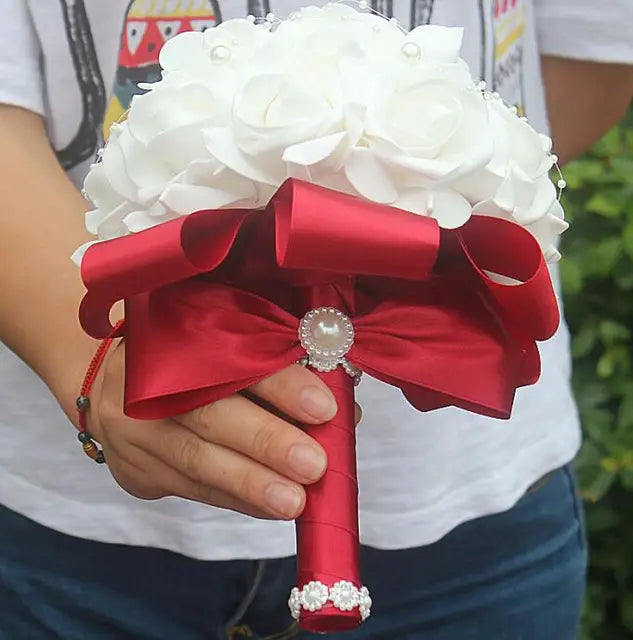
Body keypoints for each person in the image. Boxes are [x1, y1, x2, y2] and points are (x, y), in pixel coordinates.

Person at [1, 1, 632, 638]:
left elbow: (596, 53)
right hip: (76, 533)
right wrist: (93, 357)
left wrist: (405, 219)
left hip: (476, 525)